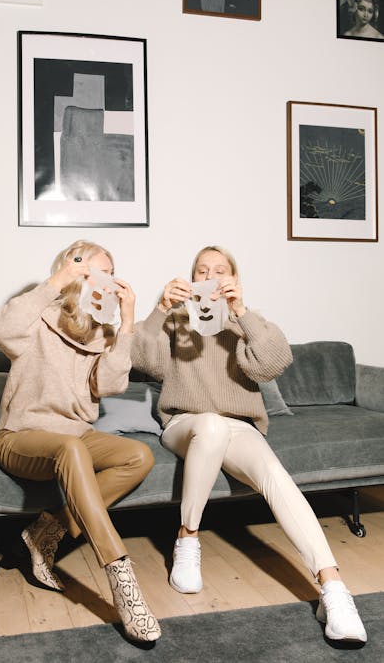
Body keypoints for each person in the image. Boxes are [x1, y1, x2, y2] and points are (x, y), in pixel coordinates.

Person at [131, 245, 367, 643]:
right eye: (202, 270)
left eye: (220, 270)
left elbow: (272, 363)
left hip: (237, 427)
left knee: (275, 475)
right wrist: (158, 309)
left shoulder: (248, 322)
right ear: (193, 280)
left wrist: (241, 313)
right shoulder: (176, 319)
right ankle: (187, 540)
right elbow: (143, 363)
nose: (210, 275)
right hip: (184, 423)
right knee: (210, 424)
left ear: (233, 280)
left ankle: (334, 589)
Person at [0, 240, 161, 643]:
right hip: (19, 436)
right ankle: (123, 583)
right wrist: (60, 279)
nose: (104, 280)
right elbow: (1, 327)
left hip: (76, 436)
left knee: (138, 455)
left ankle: (44, 531)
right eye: (93, 271)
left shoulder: (102, 332)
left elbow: (111, 384)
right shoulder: (38, 317)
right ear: (73, 270)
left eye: (110, 273)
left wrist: (128, 323)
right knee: (71, 448)